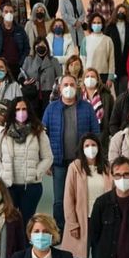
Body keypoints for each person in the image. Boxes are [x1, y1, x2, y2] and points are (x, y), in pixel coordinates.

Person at [40, 75, 98, 231]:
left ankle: (80, 227)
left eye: (72, 84)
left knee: (80, 197)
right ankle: (59, 229)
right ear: (59, 88)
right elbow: (42, 136)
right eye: (65, 84)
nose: (68, 87)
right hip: (59, 162)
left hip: (81, 162)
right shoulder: (51, 108)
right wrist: (45, 161)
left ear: (77, 87)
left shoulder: (87, 107)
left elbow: (96, 133)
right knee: (59, 200)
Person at [61, 133, 112, 258]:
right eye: (87, 146)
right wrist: (72, 224)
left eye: (93, 145)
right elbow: (68, 198)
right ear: (82, 149)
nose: (91, 148)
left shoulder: (107, 167)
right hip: (83, 221)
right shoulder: (75, 167)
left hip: (103, 222)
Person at [0, 97, 53, 218]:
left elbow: (48, 157)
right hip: (8, 186)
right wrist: (1, 173)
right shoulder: (2, 132)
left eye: (24, 109)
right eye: (18, 109)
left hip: (31, 187)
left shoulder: (39, 132)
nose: (21, 112)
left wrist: (37, 173)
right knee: (10, 223)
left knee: (27, 223)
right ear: (13, 112)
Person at [0, 5, 29, 77]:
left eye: (11, 12)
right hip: (1, 68)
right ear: (2, 14)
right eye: (6, 11)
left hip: (16, 67)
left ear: (14, 14)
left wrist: (21, 62)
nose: (9, 14)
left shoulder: (20, 30)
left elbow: (26, 48)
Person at [17, 40, 56, 117]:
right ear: (34, 47)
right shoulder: (28, 59)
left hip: (49, 94)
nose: (41, 47)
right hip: (33, 93)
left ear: (47, 47)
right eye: (38, 45)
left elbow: (59, 77)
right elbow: (21, 76)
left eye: (43, 45)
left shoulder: (54, 60)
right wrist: (24, 82)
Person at [80, 66, 116, 137]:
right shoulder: (78, 97)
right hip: (82, 135)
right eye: (87, 76)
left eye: (93, 76)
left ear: (97, 80)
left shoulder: (107, 97)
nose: (90, 78)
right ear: (83, 80)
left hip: (102, 136)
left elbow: (112, 117)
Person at [82, 14, 115, 83]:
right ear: (90, 24)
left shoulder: (108, 40)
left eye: (99, 23)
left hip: (104, 75)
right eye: (94, 23)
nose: (96, 24)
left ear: (102, 24)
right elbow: (83, 58)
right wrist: (84, 75)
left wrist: (110, 78)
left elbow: (111, 60)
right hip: (89, 75)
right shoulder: (85, 40)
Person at [109, 5, 129, 95]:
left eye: (123, 12)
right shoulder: (110, 26)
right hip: (114, 61)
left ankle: (122, 104)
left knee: (123, 88)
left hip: (126, 61)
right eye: (119, 12)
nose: (121, 14)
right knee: (116, 87)